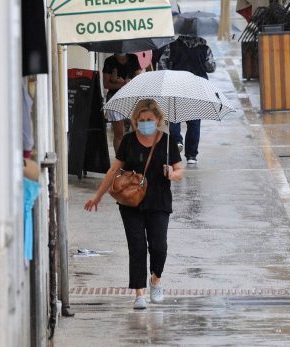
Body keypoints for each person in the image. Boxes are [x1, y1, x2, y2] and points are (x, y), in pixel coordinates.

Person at [84, 99, 183, 310]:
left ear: (158, 120)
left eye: (149, 119)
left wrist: (172, 174)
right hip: (131, 203)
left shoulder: (167, 141)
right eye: (141, 120)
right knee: (137, 246)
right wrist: (98, 196)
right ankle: (139, 294)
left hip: (159, 201)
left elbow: (180, 170)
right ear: (135, 120)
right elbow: (113, 171)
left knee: (159, 246)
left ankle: (156, 279)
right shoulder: (128, 141)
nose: (145, 123)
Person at [158, 35, 216, 165]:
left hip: (176, 85)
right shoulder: (204, 48)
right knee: (194, 122)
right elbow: (211, 67)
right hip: (197, 87)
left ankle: (177, 141)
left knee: (174, 117)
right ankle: (191, 155)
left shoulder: (172, 46)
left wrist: (168, 75)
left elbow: (162, 64)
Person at [102, 53, 142, 152]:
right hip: (115, 98)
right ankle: (119, 161)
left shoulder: (133, 58)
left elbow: (139, 79)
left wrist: (119, 82)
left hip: (132, 97)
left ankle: (137, 157)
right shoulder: (109, 61)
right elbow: (106, 84)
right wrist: (124, 84)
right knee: (119, 132)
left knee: (137, 130)